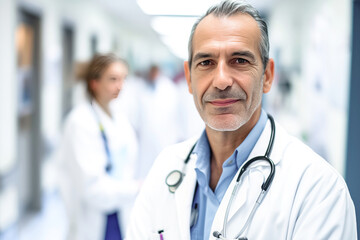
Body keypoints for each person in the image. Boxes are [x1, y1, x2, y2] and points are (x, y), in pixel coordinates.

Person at [126, 1, 357, 240]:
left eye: (240, 61)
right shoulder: (165, 168)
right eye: (206, 62)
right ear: (189, 78)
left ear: (267, 76)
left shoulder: (318, 190)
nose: (222, 80)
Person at [57, 53, 139, 240]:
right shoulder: (80, 122)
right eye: (113, 79)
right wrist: (135, 188)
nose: (121, 86)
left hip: (120, 212)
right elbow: (93, 189)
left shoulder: (118, 117)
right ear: (94, 83)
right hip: (93, 220)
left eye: (123, 79)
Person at [120, 64, 182, 180]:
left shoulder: (169, 89)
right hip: (144, 142)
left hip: (165, 140)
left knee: (163, 173)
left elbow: (175, 119)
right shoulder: (139, 89)